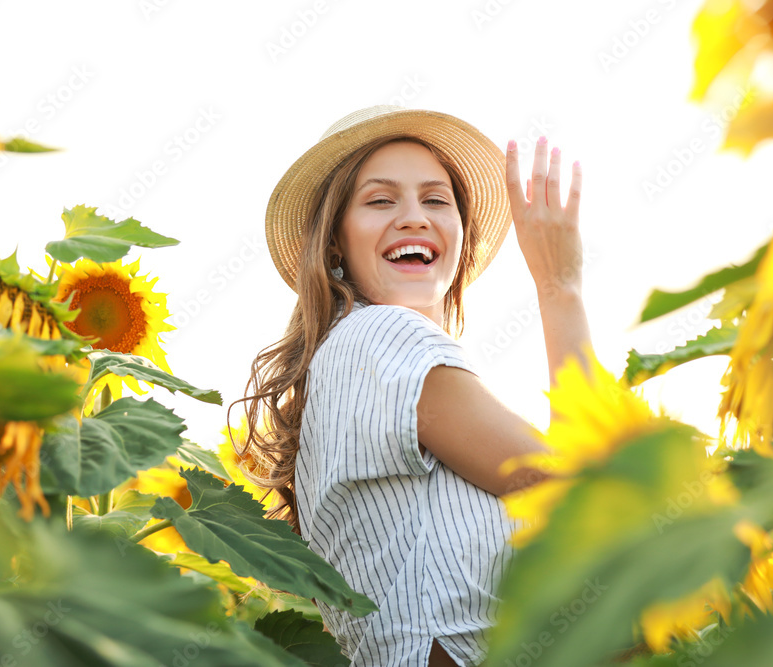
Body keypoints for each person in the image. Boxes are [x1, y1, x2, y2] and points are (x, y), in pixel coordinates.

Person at [231, 105, 592, 667]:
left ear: (458, 236)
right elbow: (582, 491)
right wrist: (558, 287)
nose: (414, 218)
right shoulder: (382, 336)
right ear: (334, 244)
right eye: (380, 200)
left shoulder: (350, 361)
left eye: (435, 199)